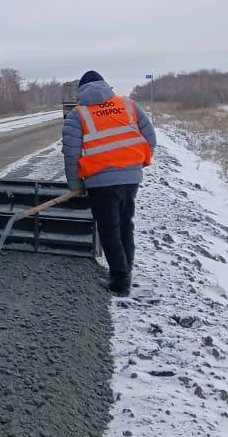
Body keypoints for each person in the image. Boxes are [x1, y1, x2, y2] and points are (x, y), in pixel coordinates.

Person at [62, 70, 157, 297]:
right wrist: (139, 163)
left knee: (109, 230)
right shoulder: (128, 105)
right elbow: (150, 137)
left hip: (100, 182)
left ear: (81, 91)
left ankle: (120, 282)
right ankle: (126, 271)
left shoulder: (78, 114)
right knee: (126, 224)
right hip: (131, 178)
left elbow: (71, 153)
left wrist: (75, 185)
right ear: (105, 85)